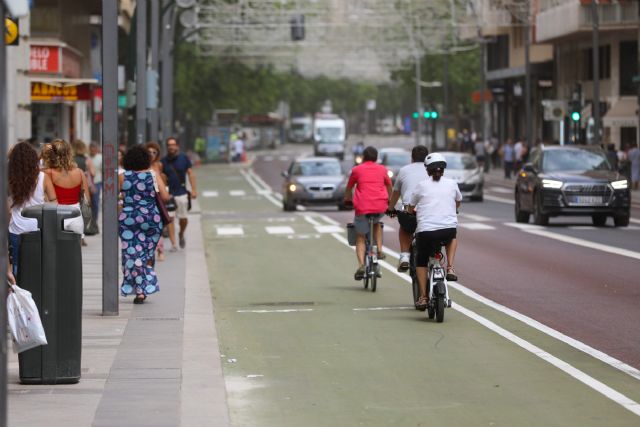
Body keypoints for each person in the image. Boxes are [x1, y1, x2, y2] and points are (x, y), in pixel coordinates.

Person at [408, 153, 462, 310]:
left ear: (427, 170)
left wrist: (412, 211)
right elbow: (458, 201)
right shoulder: (452, 184)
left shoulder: (421, 185)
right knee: (452, 237)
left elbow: (411, 207)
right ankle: (450, 267)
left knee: (421, 260)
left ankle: (423, 297)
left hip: (425, 232)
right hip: (447, 230)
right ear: (443, 170)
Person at [119, 145, 171, 304]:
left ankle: (139, 289)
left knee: (132, 254)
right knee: (146, 255)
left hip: (129, 219)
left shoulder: (122, 176)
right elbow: (165, 196)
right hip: (151, 219)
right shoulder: (153, 174)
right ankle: (144, 288)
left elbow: (117, 195)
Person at [8, 141, 57, 276]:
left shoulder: (9, 178)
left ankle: (19, 291)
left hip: (16, 227)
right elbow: (54, 202)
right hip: (37, 226)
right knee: (37, 264)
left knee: (17, 264)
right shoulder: (43, 177)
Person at [343, 146, 392, 280]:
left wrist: (347, 199)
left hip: (363, 206)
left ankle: (361, 265)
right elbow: (389, 185)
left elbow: (349, 187)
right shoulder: (382, 169)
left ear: (363, 157)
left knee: (360, 237)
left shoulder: (356, 170)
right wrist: (390, 200)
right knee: (376, 224)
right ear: (376, 158)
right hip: (380, 205)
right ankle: (380, 251)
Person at [386, 145, 429, 272]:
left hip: (410, 211)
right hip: (430, 211)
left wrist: (390, 208)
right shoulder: (432, 170)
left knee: (405, 228)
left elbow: (396, 193)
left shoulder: (404, 170)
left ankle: (405, 256)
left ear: (412, 158)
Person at [42, 139, 90, 243]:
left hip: (55, 215)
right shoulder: (80, 172)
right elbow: (87, 200)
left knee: (55, 254)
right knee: (75, 255)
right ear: (69, 153)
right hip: (75, 216)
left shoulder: (48, 173)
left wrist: (42, 155)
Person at [161, 137, 198, 250]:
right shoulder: (163, 161)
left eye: (173, 144)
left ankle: (181, 233)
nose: (171, 147)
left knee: (183, 219)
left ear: (177, 146)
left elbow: (190, 173)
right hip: (169, 194)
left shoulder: (184, 158)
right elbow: (160, 178)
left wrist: (194, 190)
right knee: (170, 219)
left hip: (182, 192)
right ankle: (173, 244)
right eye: (169, 145)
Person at [146, 141, 167, 262]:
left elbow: (162, 181)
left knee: (158, 226)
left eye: (154, 152)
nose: (152, 154)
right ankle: (150, 249)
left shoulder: (158, 165)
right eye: (149, 152)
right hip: (146, 198)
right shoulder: (141, 165)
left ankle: (160, 249)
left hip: (158, 198)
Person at [89, 142, 103, 227]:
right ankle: (90, 221)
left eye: (94, 149)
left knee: (95, 202)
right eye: (91, 149)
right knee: (88, 203)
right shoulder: (87, 157)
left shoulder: (100, 158)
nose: (92, 151)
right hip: (88, 183)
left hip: (97, 182)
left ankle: (95, 221)